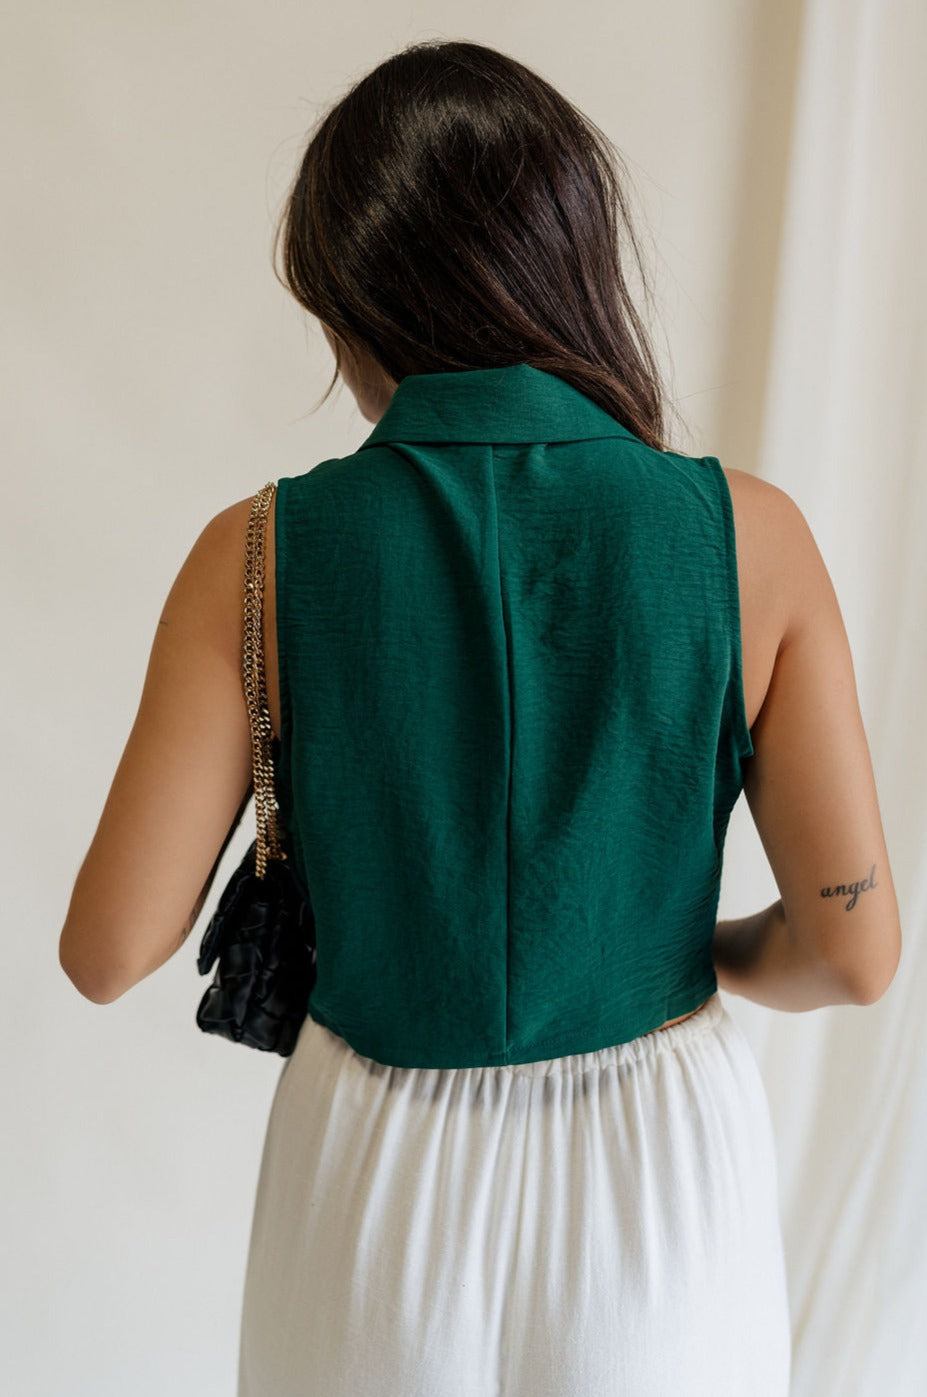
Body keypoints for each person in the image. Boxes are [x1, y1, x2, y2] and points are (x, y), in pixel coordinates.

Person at [58, 38, 902, 1397]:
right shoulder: (748, 537)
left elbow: (108, 948)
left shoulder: (259, 554)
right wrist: (713, 949)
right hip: (664, 1175)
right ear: (573, 265)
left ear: (347, 302)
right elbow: (855, 953)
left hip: (371, 1170)